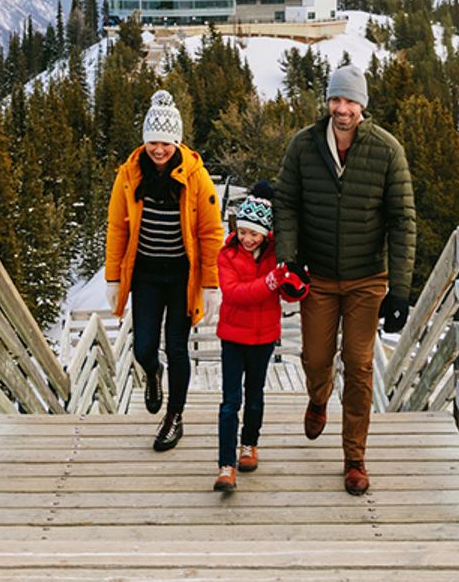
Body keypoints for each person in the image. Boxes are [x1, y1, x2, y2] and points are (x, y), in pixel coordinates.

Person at [273, 64, 415, 495]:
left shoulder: (387, 151)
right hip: (317, 277)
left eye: (350, 101)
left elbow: (402, 220)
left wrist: (401, 290)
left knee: (359, 365)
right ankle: (318, 398)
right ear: (328, 103)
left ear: (362, 106)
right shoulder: (303, 146)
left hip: (367, 279)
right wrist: (288, 260)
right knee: (315, 359)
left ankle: (354, 458)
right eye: (336, 99)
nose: (342, 108)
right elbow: (286, 205)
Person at [105, 89, 223, 451]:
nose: (159, 150)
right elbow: (117, 226)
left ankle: (175, 417)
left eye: (166, 144)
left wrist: (211, 283)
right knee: (142, 347)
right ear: (145, 142)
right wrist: (112, 276)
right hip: (144, 275)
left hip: (181, 277)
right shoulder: (130, 174)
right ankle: (152, 373)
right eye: (153, 142)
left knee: (176, 348)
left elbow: (210, 231)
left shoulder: (195, 176)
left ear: (177, 141)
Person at [212, 183, 284, 492]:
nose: (247, 238)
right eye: (243, 231)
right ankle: (225, 465)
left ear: (265, 233)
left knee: (255, 396)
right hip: (233, 337)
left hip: (264, 336)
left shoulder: (274, 256)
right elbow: (234, 293)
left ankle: (249, 445)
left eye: (253, 233)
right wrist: (269, 283)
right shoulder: (227, 255)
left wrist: (292, 283)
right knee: (231, 401)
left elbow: (289, 295)